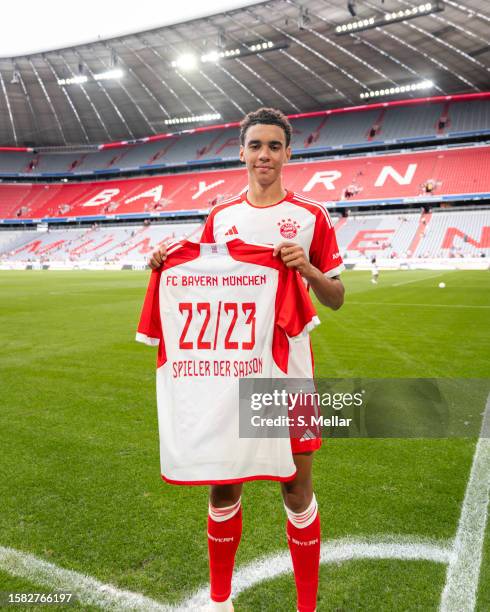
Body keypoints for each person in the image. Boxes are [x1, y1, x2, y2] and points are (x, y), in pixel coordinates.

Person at [148, 108, 345, 612]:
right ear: (241, 151)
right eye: (256, 145)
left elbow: (338, 296)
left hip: (291, 375)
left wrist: (308, 271)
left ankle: (307, 608)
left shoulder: (311, 217)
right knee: (222, 487)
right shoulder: (221, 217)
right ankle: (219, 601)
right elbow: (199, 274)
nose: (264, 155)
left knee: (297, 492)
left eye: (274, 146)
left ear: (288, 153)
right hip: (229, 378)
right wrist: (162, 263)